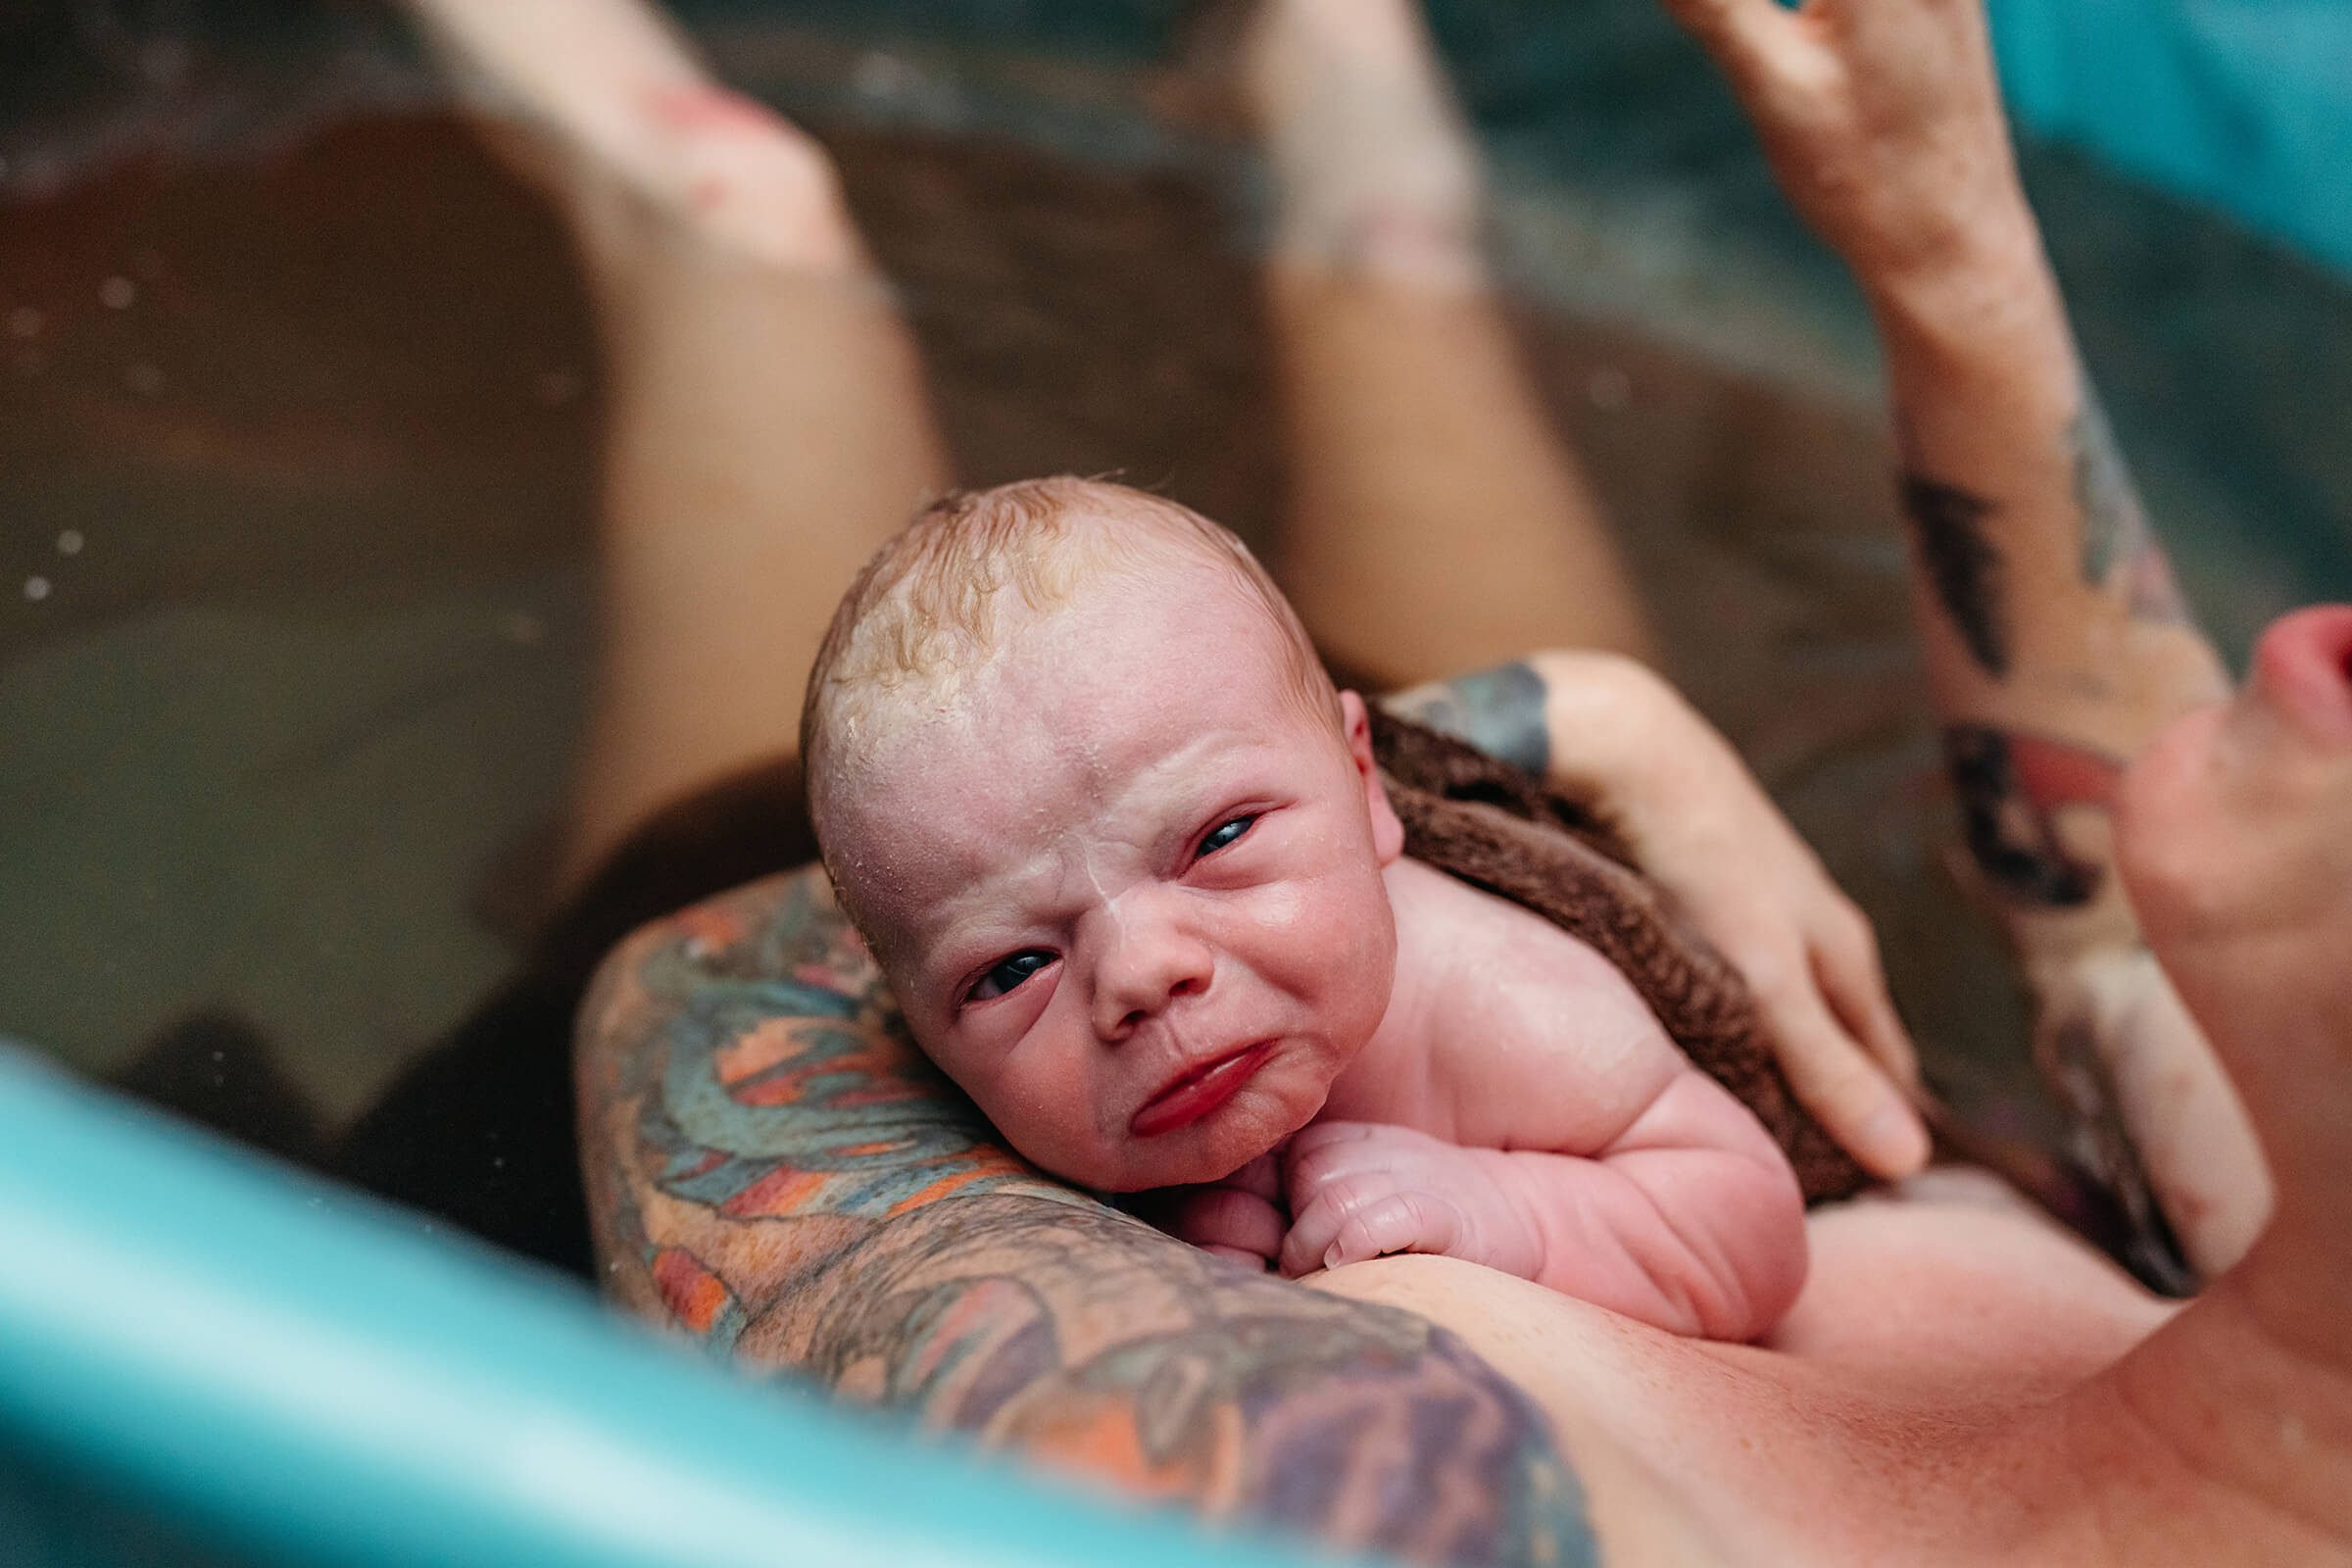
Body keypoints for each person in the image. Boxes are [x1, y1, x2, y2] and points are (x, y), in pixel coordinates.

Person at [400, 0, 2343, 1562]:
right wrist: (1939, 244)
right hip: (1324, 816)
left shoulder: (1372, 1490)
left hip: (912, 875)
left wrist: (1217, 851)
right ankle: (1343, 88)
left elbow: (722, 996)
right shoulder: (2279, 1222)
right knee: (1396, 228)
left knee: (744, 215)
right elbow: (2128, 907)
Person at [797, 478, 1808, 1334]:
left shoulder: (1508, 1000)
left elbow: (1752, 1223)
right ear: (922, 1033)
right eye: (1013, 968)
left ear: (1367, 791)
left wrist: (1518, 1214)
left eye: (1220, 839)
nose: (1141, 973)